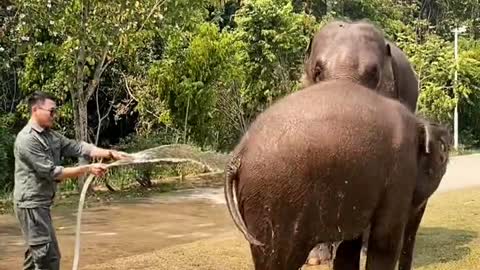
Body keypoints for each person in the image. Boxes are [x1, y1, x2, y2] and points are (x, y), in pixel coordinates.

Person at [13, 91, 130, 270]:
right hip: (31, 205)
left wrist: (109, 153)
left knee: (37, 254)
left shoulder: (50, 135)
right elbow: (52, 172)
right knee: (47, 258)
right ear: (36, 109)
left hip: (41, 204)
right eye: (51, 111)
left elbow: (78, 147)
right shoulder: (27, 139)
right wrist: (87, 169)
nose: (55, 115)